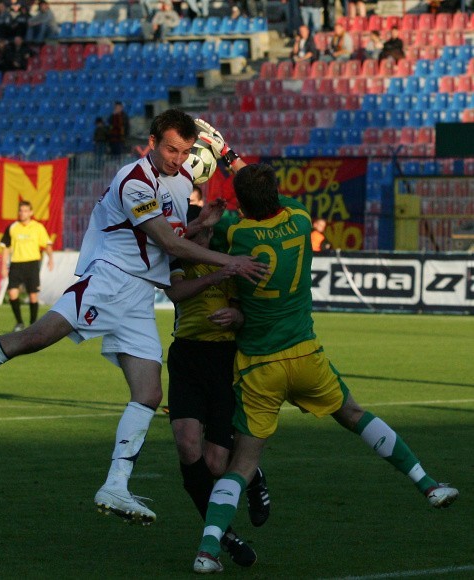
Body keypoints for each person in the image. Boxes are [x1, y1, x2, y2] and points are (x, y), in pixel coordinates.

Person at [0, 109, 267, 528]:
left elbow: (173, 240)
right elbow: (167, 240)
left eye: (185, 151)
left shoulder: (184, 179)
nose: (177, 157)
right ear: (152, 142)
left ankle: (116, 484)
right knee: (36, 337)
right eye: (171, 148)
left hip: (139, 296)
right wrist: (229, 261)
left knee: (149, 395)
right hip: (109, 279)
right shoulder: (134, 180)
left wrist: (201, 223)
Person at [189, 123, 459, 573]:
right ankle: (428, 484)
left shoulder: (234, 234)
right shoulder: (297, 220)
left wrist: (205, 204)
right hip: (305, 355)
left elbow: (200, 239)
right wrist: (230, 153)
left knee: (241, 464)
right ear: (277, 193)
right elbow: (259, 185)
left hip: (259, 365)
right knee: (355, 415)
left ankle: (207, 550)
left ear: (241, 204)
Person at [165, 205, 270, 569]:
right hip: (188, 357)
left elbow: (245, 314)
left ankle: (251, 472)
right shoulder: (178, 260)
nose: (193, 240)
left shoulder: (233, 266)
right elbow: (176, 294)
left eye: (199, 234)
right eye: (188, 234)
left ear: (210, 235)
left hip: (225, 360)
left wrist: (235, 315)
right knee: (186, 444)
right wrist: (215, 274)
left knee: (215, 463)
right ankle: (224, 537)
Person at [0, 200, 54, 332]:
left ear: (30, 212)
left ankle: (33, 323)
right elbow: (6, 248)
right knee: (12, 293)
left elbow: (47, 244)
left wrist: (50, 258)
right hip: (16, 264)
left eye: (25, 211)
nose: (22, 213)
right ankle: (19, 322)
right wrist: (3, 265)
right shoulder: (12, 227)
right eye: (20, 210)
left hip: (32, 264)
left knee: (33, 296)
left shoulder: (38, 227)